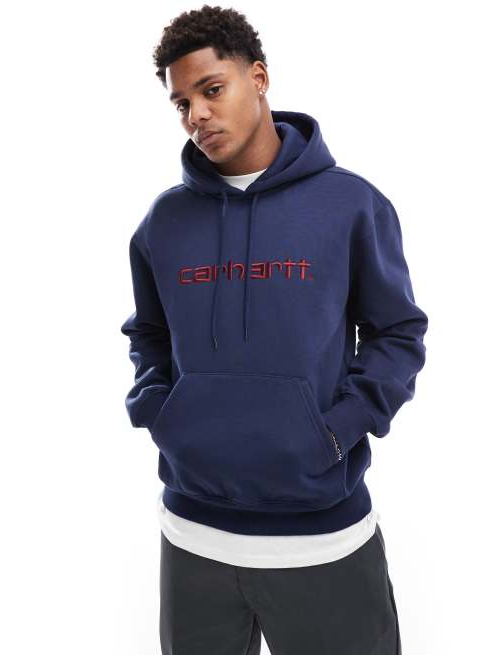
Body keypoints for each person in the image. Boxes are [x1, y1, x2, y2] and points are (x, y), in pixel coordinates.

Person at [120, 5, 428, 654]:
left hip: (323, 538)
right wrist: (161, 411)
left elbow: (397, 332)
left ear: (258, 78)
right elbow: (148, 333)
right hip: (192, 536)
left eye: (212, 89)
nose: (197, 114)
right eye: (181, 103)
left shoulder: (350, 205)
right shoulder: (163, 223)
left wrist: (337, 429)